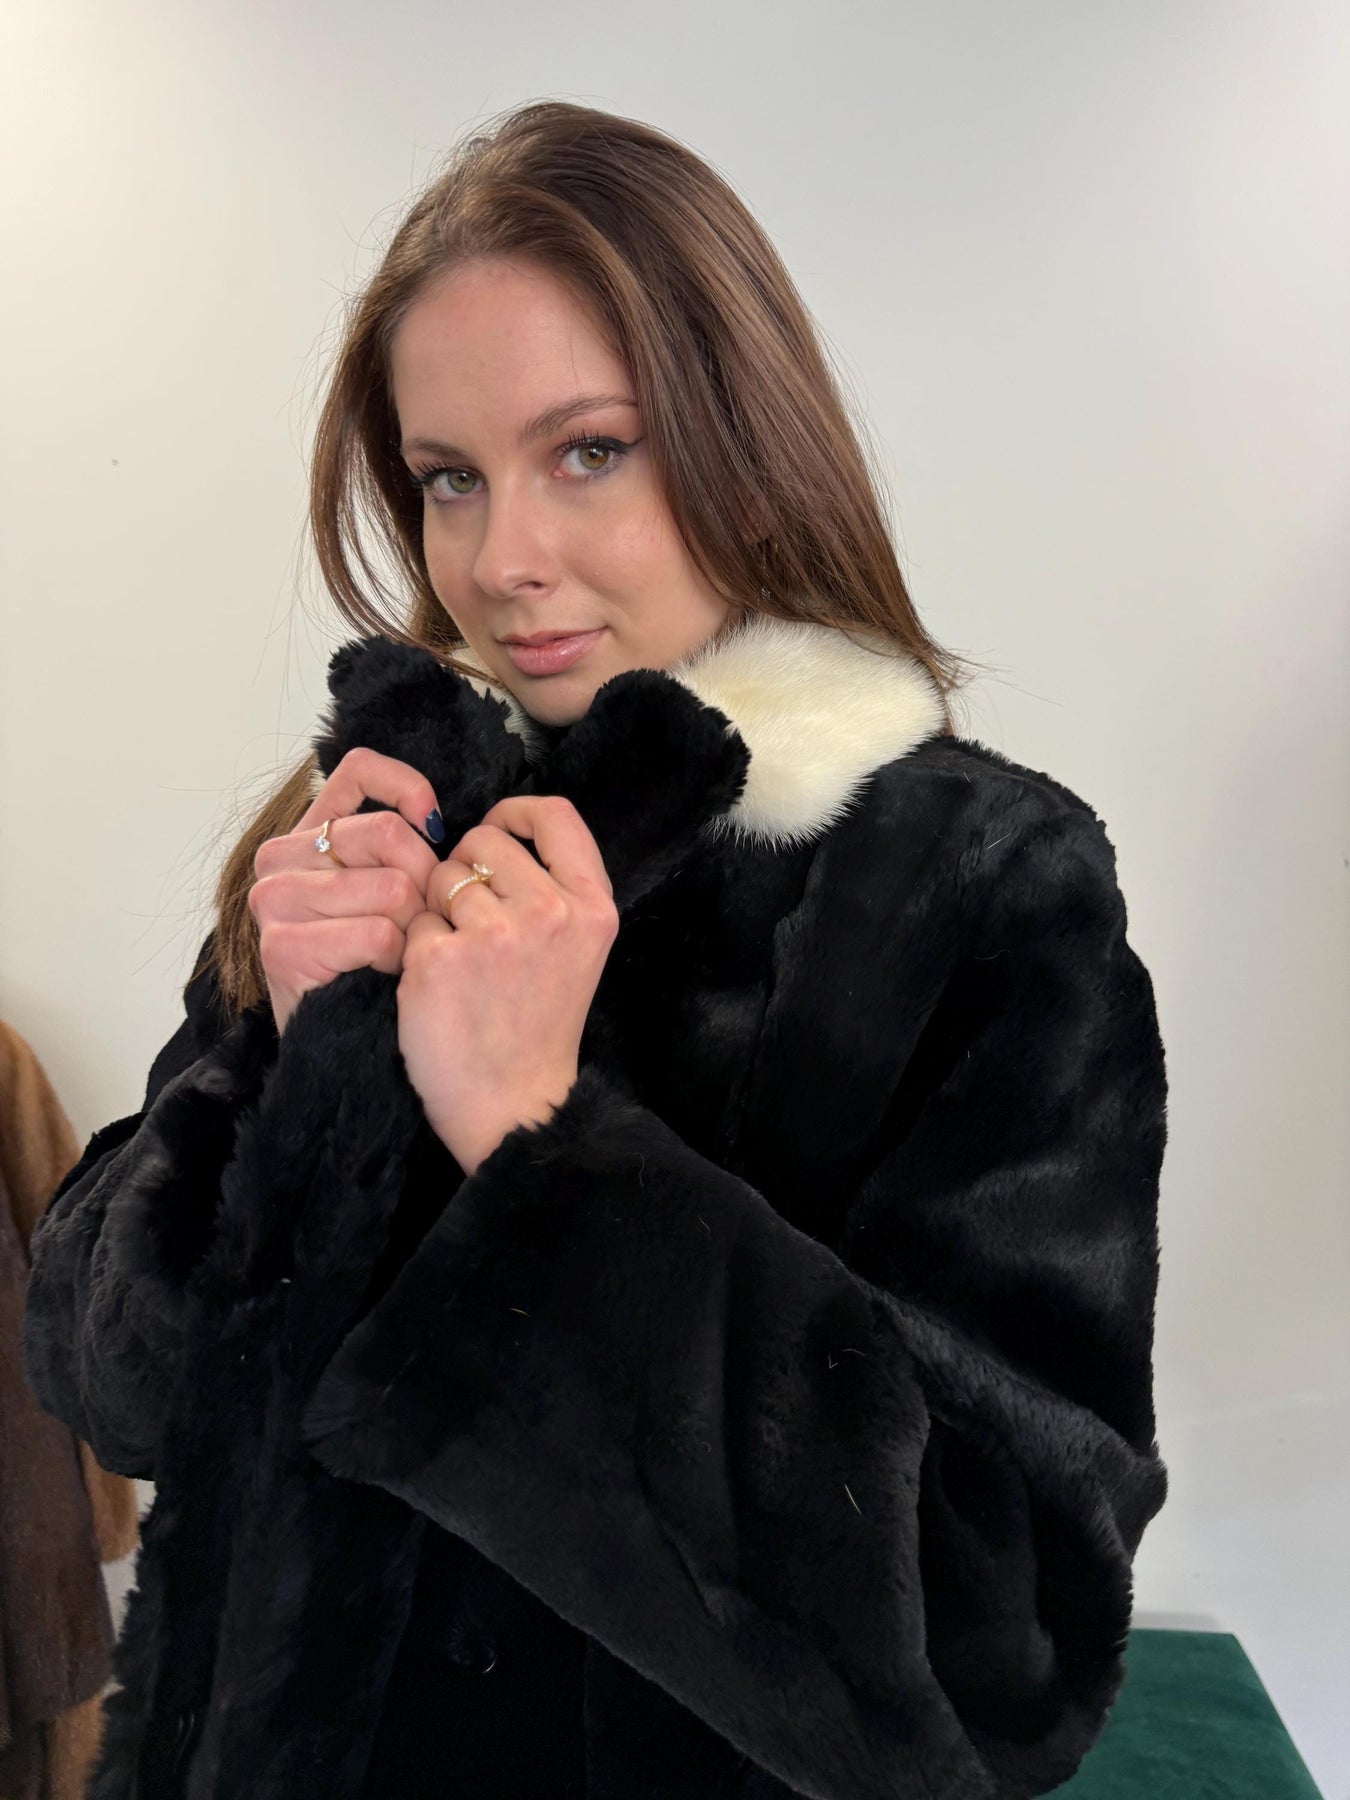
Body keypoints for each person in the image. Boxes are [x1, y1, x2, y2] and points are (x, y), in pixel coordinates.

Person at [22, 99, 1169, 1800]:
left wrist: (538, 1150)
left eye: (588, 452)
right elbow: (108, 1384)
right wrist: (293, 1072)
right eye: (448, 479)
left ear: (743, 444)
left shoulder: (972, 887)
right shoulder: (383, 811)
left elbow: (998, 1652)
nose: (501, 562)